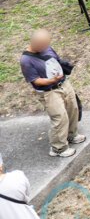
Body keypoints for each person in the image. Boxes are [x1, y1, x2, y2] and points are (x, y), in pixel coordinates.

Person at [19, 30, 85, 158]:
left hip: (63, 84)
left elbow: (56, 60)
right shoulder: (26, 60)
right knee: (59, 118)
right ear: (34, 43)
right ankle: (58, 148)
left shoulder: (47, 48)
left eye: (47, 43)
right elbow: (35, 80)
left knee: (73, 109)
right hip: (49, 92)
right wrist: (52, 80)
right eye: (43, 44)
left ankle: (72, 135)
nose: (46, 47)